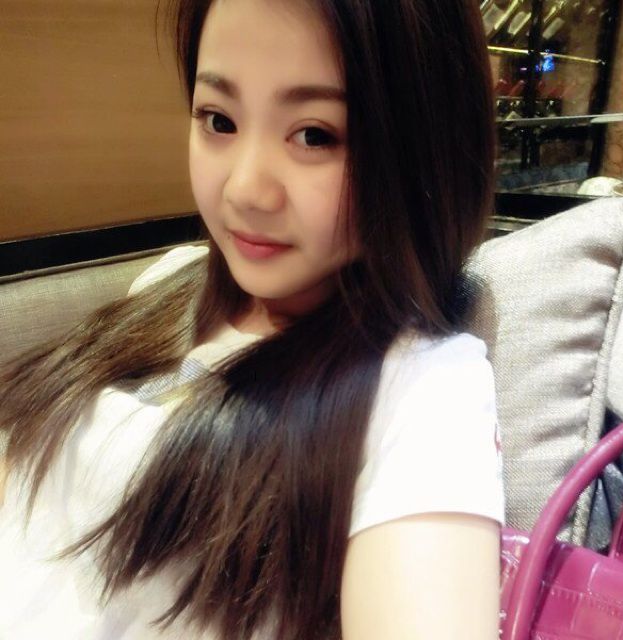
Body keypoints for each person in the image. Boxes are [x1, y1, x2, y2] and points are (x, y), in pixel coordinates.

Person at [0, 0, 505, 638]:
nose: (243, 189)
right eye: (220, 120)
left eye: (315, 135)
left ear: (422, 148)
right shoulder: (172, 281)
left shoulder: (426, 386)